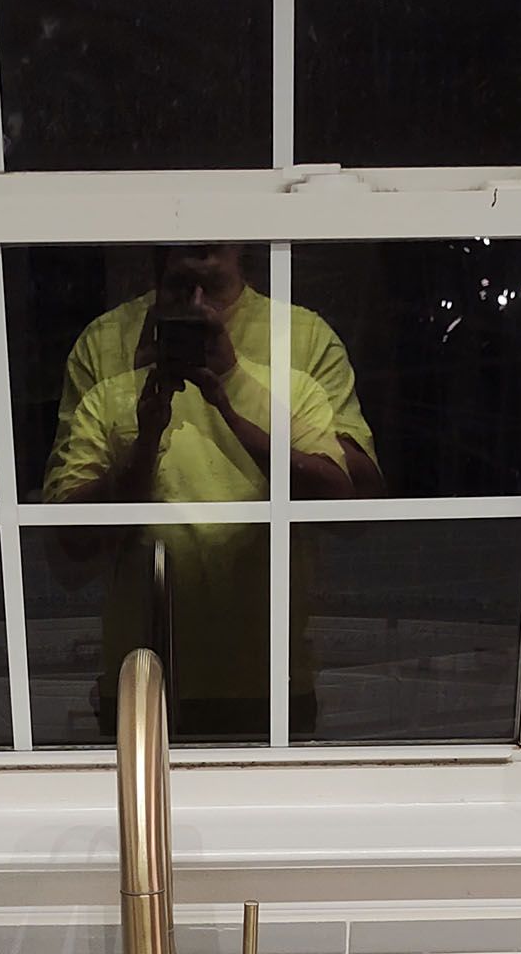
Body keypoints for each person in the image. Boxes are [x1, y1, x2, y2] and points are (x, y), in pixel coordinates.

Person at [40, 244, 380, 738]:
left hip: (270, 672)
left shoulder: (302, 338)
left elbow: (357, 507)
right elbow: (69, 546)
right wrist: (142, 425)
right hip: (143, 671)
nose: (197, 307)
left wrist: (232, 385)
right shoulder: (105, 344)